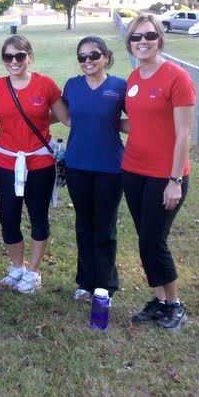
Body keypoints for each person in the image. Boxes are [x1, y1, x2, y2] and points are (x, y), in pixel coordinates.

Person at [121, 14, 195, 330]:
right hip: (132, 170)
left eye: (149, 36)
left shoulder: (177, 78)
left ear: (160, 38)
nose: (143, 42)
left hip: (164, 176)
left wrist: (174, 180)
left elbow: (183, 134)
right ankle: (158, 299)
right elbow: (137, 124)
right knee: (145, 238)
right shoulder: (134, 78)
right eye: (136, 37)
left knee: (155, 240)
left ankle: (174, 305)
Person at [0, 35, 69, 294]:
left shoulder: (45, 85)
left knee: (38, 217)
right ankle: (17, 267)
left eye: (19, 56)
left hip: (40, 162)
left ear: (29, 57)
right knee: (9, 218)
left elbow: (65, 117)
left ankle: (33, 272)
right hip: (6, 162)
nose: (14, 61)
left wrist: (42, 121)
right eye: (8, 57)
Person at [59, 36, 126, 302]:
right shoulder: (72, 86)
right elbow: (66, 117)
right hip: (77, 165)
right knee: (84, 225)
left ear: (106, 57)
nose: (88, 61)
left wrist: (113, 125)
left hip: (110, 167)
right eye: (82, 57)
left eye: (94, 55)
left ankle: (105, 285)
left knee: (105, 227)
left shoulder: (119, 87)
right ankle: (85, 281)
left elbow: (136, 120)